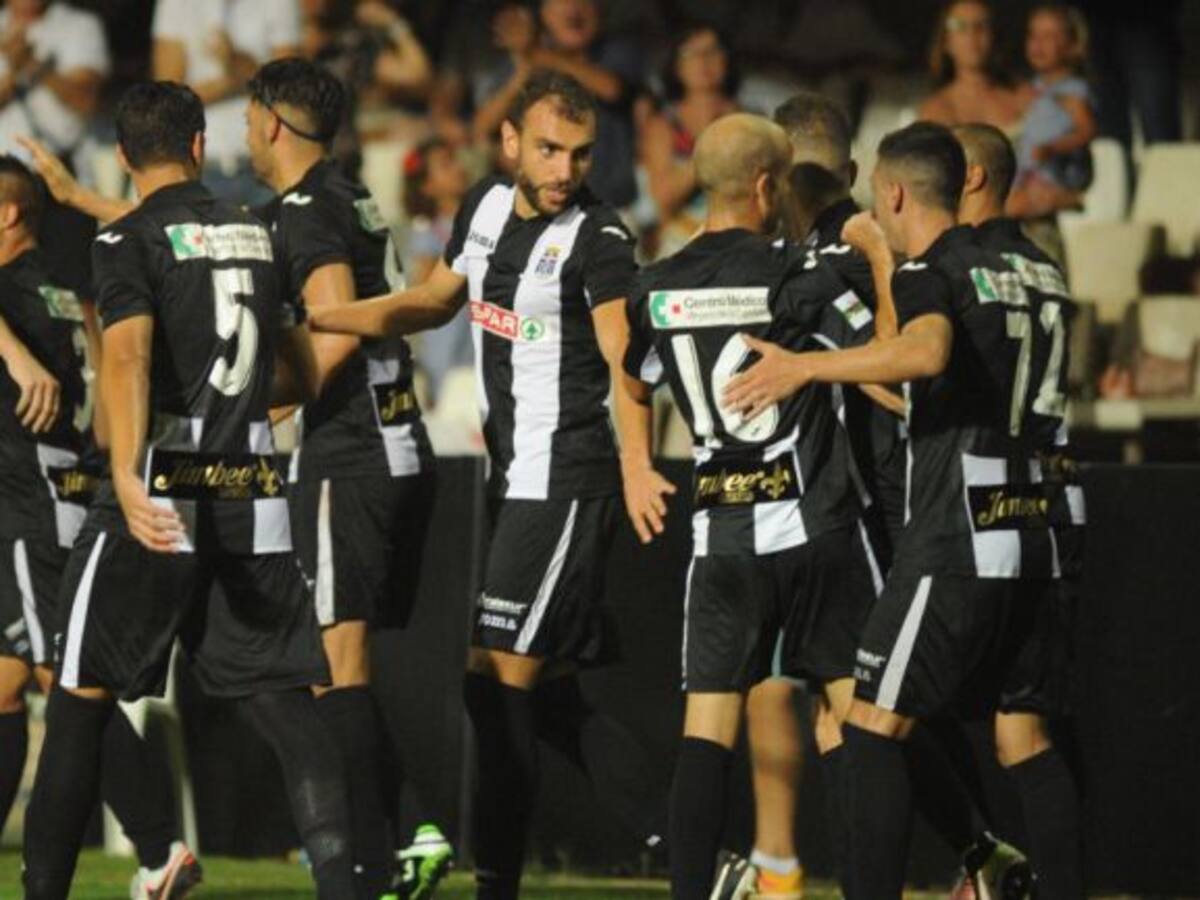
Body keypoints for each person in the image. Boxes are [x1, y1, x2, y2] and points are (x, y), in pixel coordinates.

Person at [306, 69, 667, 900]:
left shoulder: (599, 238)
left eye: (579, 154)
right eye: (549, 149)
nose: (564, 170)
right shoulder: (484, 207)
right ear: (509, 142)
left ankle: (497, 885)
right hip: (516, 481)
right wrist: (324, 318)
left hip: (566, 477)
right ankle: (695, 855)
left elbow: (625, 359)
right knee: (546, 697)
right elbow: (435, 303)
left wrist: (638, 463)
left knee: (493, 685)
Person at [723, 121, 1084, 900]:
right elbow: (929, 382)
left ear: (890, 192)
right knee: (1024, 737)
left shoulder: (935, 266)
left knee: (869, 726)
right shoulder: (1040, 268)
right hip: (1040, 521)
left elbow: (918, 358)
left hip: (960, 525)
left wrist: (805, 367)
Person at [20, 80, 356, 900]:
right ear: (200, 146)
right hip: (252, 490)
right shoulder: (255, 232)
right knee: (287, 705)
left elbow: (130, 358)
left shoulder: (123, 239)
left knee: (77, 700)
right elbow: (299, 371)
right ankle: (347, 887)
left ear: (123, 156)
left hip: (161, 494)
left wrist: (127, 474)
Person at [618, 112, 879, 900]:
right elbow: (882, 362)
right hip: (813, 528)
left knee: (707, 731)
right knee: (856, 723)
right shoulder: (796, 273)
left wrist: (636, 465)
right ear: (768, 187)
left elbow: (632, 381)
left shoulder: (654, 284)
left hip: (721, 535)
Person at [244, 56, 446, 899]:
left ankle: (369, 862)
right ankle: (407, 836)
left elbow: (329, 337)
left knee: (337, 662)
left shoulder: (309, 211)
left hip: (352, 452)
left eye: (250, 118)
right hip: (389, 441)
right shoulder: (346, 193)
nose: (246, 133)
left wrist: (251, 407)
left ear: (271, 123)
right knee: (334, 663)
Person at [0, 155, 201, 899]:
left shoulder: (12, 291)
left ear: (8, 215)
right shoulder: (58, 291)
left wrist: (17, 359)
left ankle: (158, 846)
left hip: (28, 501)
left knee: (64, 678)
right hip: (64, 488)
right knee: (7, 680)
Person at [473, 0, 643, 208]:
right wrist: (524, 70)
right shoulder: (522, 61)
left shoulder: (616, 52)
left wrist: (539, 54)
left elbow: (612, 90)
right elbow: (482, 126)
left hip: (614, 206)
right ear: (543, 13)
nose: (574, 8)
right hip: (550, 210)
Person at [152, 0, 301, 205]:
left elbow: (289, 88)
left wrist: (235, 61)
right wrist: (234, 80)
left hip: (266, 168)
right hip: (200, 168)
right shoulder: (175, 4)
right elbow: (167, 98)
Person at [301, 0, 434, 178]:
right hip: (285, 165)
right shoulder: (279, 40)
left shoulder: (350, 46)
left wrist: (393, 24)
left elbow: (416, 75)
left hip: (339, 167)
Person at [640, 23, 740, 259]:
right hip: (681, 243)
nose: (703, 60)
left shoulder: (749, 118)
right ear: (676, 65)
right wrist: (712, 139)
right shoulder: (663, 125)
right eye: (691, 53)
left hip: (736, 244)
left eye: (713, 50)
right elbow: (664, 197)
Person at [1007, 4, 1097, 221]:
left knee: (1012, 207)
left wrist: (1054, 147)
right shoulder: (1034, 87)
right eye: (1033, 35)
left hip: (1058, 173)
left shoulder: (1072, 91)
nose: (1038, 43)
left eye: (1049, 36)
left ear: (1073, 46)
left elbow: (1087, 130)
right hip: (1029, 173)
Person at [0, 0, 109, 173]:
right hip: (6, 172)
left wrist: (30, 63)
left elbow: (85, 101)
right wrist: (13, 72)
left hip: (63, 168)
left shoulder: (80, 25)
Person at [403, 137, 472, 404]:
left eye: (454, 160)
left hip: (478, 340)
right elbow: (424, 287)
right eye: (445, 164)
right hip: (447, 347)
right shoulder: (427, 229)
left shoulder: (482, 218)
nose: (458, 168)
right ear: (427, 185)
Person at [918, 0, 1027, 133]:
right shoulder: (934, 111)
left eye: (981, 26)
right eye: (960, 26)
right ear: (946, 41)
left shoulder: (1023, 99)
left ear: (994, 36)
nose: (972, 35)